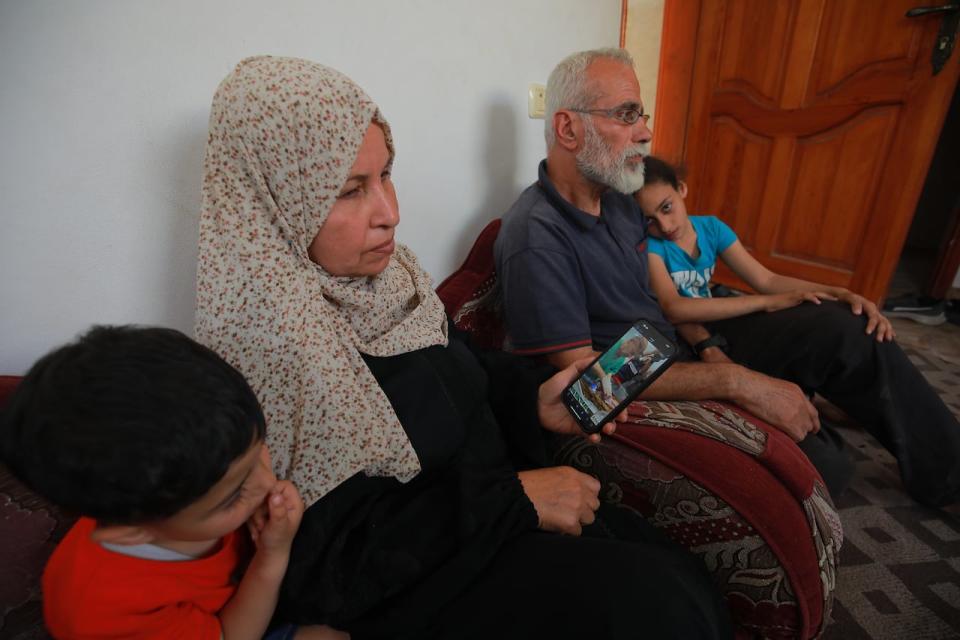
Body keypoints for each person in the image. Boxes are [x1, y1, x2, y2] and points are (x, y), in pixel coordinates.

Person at [194, 56, 732, 639]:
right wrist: (514, 498)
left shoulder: (389, 280)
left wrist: (535, 401)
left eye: (386, 175)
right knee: (654, 608)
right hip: (436, 581)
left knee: (674, 570)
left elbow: (461, 366)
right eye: (350, 190)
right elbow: (331, 565)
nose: (390, 214)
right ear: (278, 197)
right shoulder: (273, 342)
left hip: (496, 518)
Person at [495, 47, 960, 508]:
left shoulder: (619, 198)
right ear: (568, 129)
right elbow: (588, 385)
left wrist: (714, 348)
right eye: (627, 114)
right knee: (825, 466)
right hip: (639, 376)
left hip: (678, 344)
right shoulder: (535, 237)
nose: (647, 132)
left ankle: (950, 473)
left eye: (643, 114)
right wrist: (734, 382)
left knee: (844, 325)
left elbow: (663, 302)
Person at [0, 326, 344, 640]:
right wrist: (271, 557)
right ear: (134, 532)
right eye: (235, 494)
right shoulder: (102, 611)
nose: (267, 483)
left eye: (259, 454)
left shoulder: (161, 490)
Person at [636, 155, 896, 342]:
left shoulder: (711, 228)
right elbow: (674, 307)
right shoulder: (653, 246)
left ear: (681, 189)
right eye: (650, 219)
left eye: (667, 207)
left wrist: (839, 292)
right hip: (689, 333)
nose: (664, 225)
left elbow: (766, 279)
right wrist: (767, 302)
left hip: (718, 316)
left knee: (827, 311)